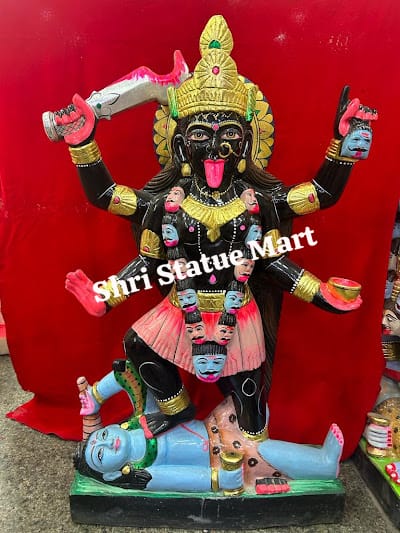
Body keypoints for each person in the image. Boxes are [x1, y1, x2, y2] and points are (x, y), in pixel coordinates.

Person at [58, 16, 376, 441]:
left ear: (245, 143)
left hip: (238, 314)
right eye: (200, 135)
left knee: (250, 408)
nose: (215, 147)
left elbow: (314, 202)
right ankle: (176, 408)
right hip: (180, 311)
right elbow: (117, 211)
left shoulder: (257, 204)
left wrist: (343, 152)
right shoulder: (164, 205)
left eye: (228, 134)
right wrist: (108, 294)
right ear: (179, 145)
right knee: (137, 345)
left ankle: (254, 448)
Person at [75, 383, 344, 494]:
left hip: (217, 425)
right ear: (112, 473)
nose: (108, 442)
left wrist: (96, 395)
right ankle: (323, 463)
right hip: (222, 457)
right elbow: (185, 478)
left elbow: (135, 375)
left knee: (250, 398)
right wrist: (220, 480)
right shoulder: (146, 470)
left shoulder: (142, 419)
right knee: (265, 451)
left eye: (103, 435)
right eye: (101, 454)